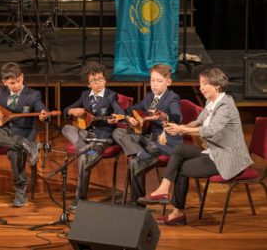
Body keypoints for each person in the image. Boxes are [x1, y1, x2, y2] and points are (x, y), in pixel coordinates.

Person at [138, 68, 253, 226]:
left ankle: (177, 213)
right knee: (179, 151)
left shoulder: (226, 106)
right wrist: (178, 127)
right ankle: (164, 189)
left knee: (181, 167)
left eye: (204, 84)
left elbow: (210, 130)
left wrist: (183, 130)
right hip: (212, 151)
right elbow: (198, 122)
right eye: (200, 84)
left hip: (227, 158)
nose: (201, 88)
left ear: (217, 86)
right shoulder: (210, 101)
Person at [112, 64, 183, 206]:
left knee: (134, 162)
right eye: (152, 80)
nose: (154, 84)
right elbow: (132, 109)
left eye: (159, 81)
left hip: (163, 142)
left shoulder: (172, 98)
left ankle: (137, 202)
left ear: (168, 82)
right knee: (118, 132)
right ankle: (142, 155)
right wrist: (130, 117)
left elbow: (176, 117)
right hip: (147, 139)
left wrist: (162, 116)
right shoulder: (150, 97)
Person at [0, 62, 48, 207]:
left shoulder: (33, 94)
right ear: (4, 82)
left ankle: (20, 190)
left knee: (14, 153)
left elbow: (40, 106)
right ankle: (26, 146)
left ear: (22, 77)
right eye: (12, 83)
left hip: (24, 131)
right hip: (3, 130)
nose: (16, 85)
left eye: (18, 81)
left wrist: (44, 114)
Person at [62, 61, 124, 210]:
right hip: (85, 136)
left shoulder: (111, 96)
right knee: (66, 128)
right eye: (94, 80)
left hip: (102, 137)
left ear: (105, 79)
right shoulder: (85, 95)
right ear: (88, 84)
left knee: (83, 156)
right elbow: (66, 109)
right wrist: (71, 111)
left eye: (100, 79)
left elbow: (120, 111)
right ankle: (82, 147)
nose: (98, 83)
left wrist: (118, 117)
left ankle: (80, 197)